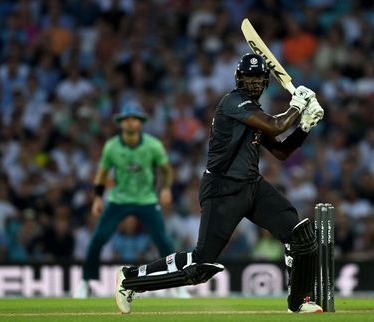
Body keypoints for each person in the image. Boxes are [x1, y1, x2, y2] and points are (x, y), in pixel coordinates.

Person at [114, 53, 325, 314]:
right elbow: (277, 125)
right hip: (222, 190)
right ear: (239, 79)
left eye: (259, 79)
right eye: (250, 78)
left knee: (300, 235)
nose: (255, 84)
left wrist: (304, 127)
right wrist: (297, 105)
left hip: (252, 186)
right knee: (200, 267)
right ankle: (130, 279)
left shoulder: (254, 112)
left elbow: (281, 152)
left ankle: (299, 301)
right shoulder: (233, 102)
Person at [74, 103, 175, 298]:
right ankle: (86, 283)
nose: (130, 122)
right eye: (126, 119)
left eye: (134, 119)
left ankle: (178, 285)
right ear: (121, 123)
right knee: (97, 239)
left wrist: (165, 189)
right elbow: (102, 175)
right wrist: (97, 198)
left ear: (140, 122)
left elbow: (166, 170)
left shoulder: (153, 145)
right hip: (118, 200)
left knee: (163, 241)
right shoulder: (111, 146)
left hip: (146, 199)